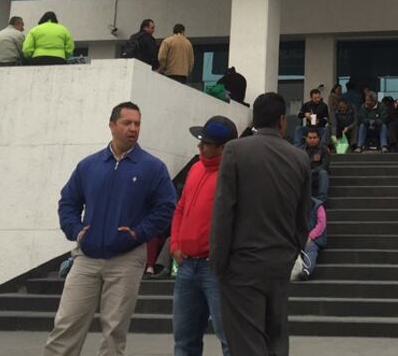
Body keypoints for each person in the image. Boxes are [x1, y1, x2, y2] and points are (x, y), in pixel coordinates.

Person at [43, 101, 177, 356]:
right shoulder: (89, 165)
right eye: (127, 123)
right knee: (65, 325)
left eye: (137, 124)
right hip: (86, 258)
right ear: (112, 125)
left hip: (127, 258)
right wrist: (75, 230)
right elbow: (68, 202)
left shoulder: (152, 167)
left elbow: (165, 208)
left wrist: (139, 233)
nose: (133, 129)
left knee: (114, 331)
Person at [210, 92, 312, 356]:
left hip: (241, 264)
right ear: (281, 120)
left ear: (255, 118)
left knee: (246, 340)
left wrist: (219, 262)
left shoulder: (235, 150)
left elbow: (223, 212)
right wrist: (290, 254)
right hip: (279, 263)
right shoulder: (300, 158)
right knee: (276, 337)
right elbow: (303, 220)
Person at [170, 116, 237, 356]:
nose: (199, 147)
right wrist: (175, 245)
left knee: (230, 340)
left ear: (222, 148)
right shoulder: (196, 167)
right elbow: (180, 208)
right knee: (184, 341)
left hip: (216, 269)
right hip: (187, 265)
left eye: (206, 143)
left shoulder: (234, 174)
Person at [296, 199, 327, 281]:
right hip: (301, 236)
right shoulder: (298, 206)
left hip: (315, 238)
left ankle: (306, 271)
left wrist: (310, 236)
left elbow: (321, 224)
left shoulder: (318, 206)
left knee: (310, 249)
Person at [300, 129, 330, 202]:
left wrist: (312, 171)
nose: (312, 140)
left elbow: (325, 166)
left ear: (318, 138)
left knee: (323, 173)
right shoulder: (300, 150)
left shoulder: (324, 149)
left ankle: (321, 200)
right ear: (306, 139)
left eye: (314, 138)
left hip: (317, 176)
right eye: (310, 138)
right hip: (306, 176)